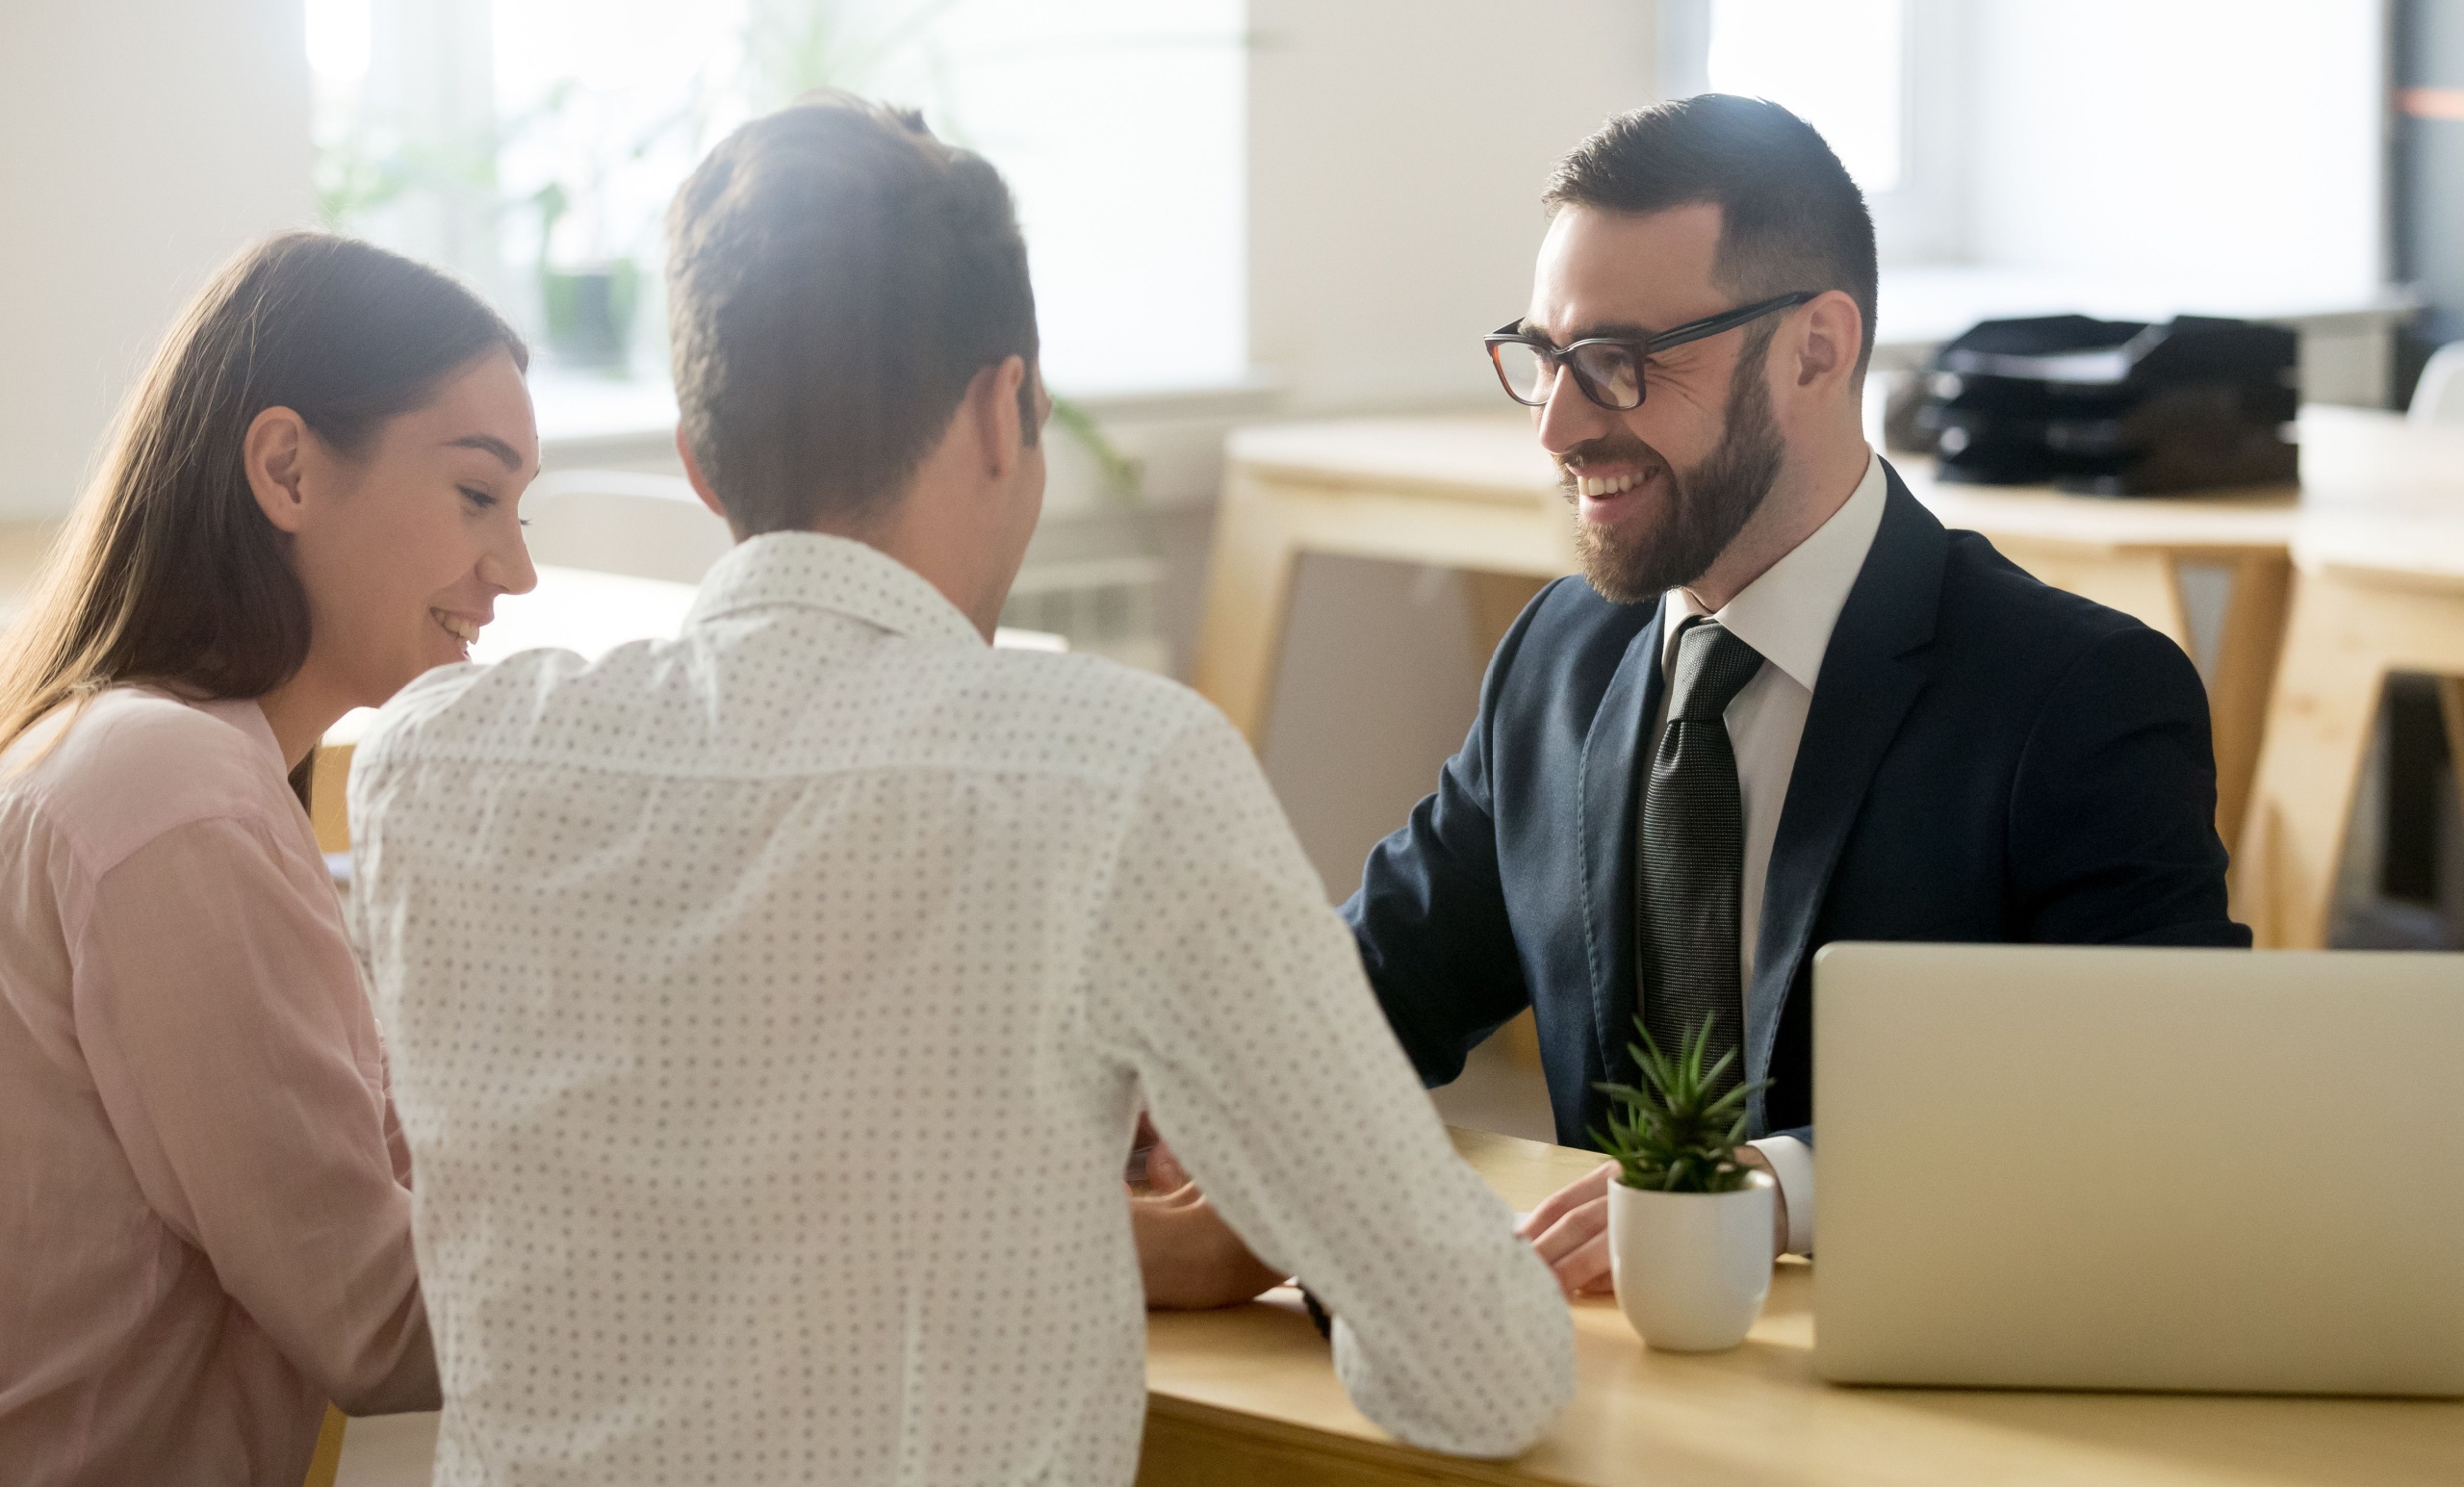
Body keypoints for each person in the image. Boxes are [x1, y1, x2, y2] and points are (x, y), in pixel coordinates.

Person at [346, 91, 1572, 1487]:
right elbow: (1488, 1366)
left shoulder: (426, 768)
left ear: (700, 461)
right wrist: (1265, 1198)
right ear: (1007, 410)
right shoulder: (1119, 773)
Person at [1342, 95, 2249, 1292]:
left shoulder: (2076, 697)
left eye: (1618, 364)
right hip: (1598, 1381)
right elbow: (1367, 989)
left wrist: (1774, 1193)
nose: (1559, 425)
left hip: (1915, 1381)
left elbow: (2160, 1085)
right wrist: (1167, 1121)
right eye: (1546, 357)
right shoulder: (1559, 657)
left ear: (1815, 349)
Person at [0, 231, 539, 1483]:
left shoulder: (147, 755)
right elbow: (378, 1316)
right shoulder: (176, 799)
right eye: (476, 494)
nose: (512, 568)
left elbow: (375, 1158)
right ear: (287, 467)